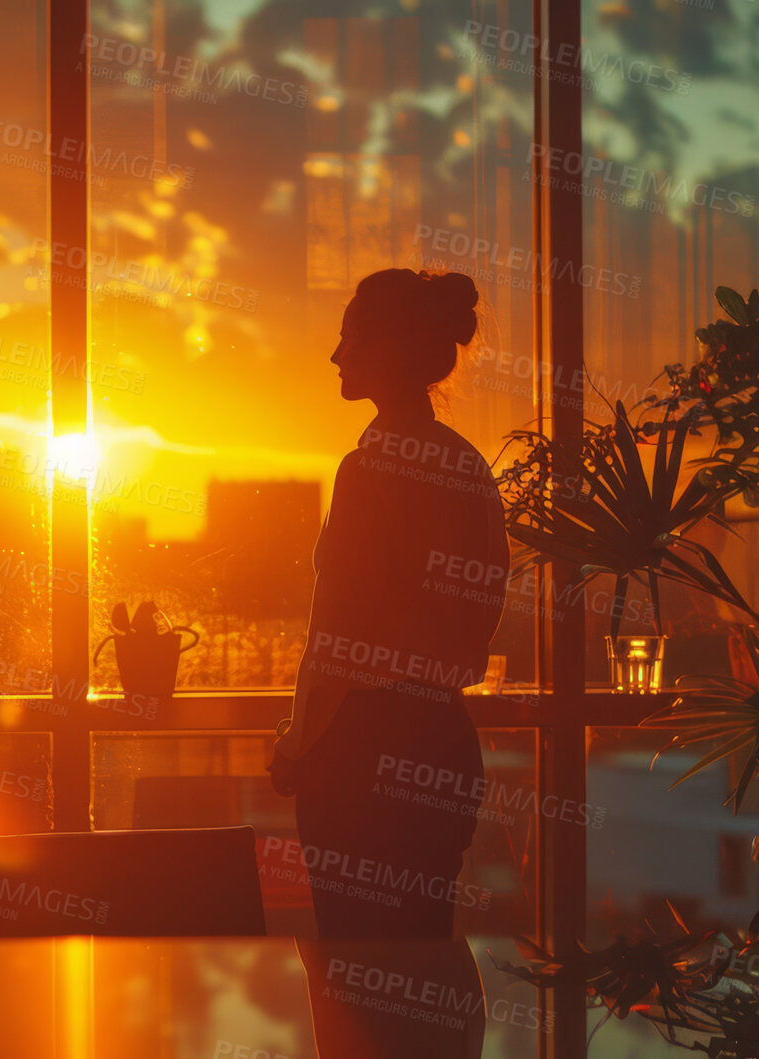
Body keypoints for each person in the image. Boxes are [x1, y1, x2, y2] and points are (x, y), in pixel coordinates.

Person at [267, 268, 508, 1058]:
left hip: (361, 752)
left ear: (389, 350)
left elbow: (333, 639)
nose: (335, 353)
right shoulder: (467, 467)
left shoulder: (368, 469)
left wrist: (297, 744)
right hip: (442, 736)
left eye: (351, 336)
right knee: (422, 961)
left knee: (354, 980)